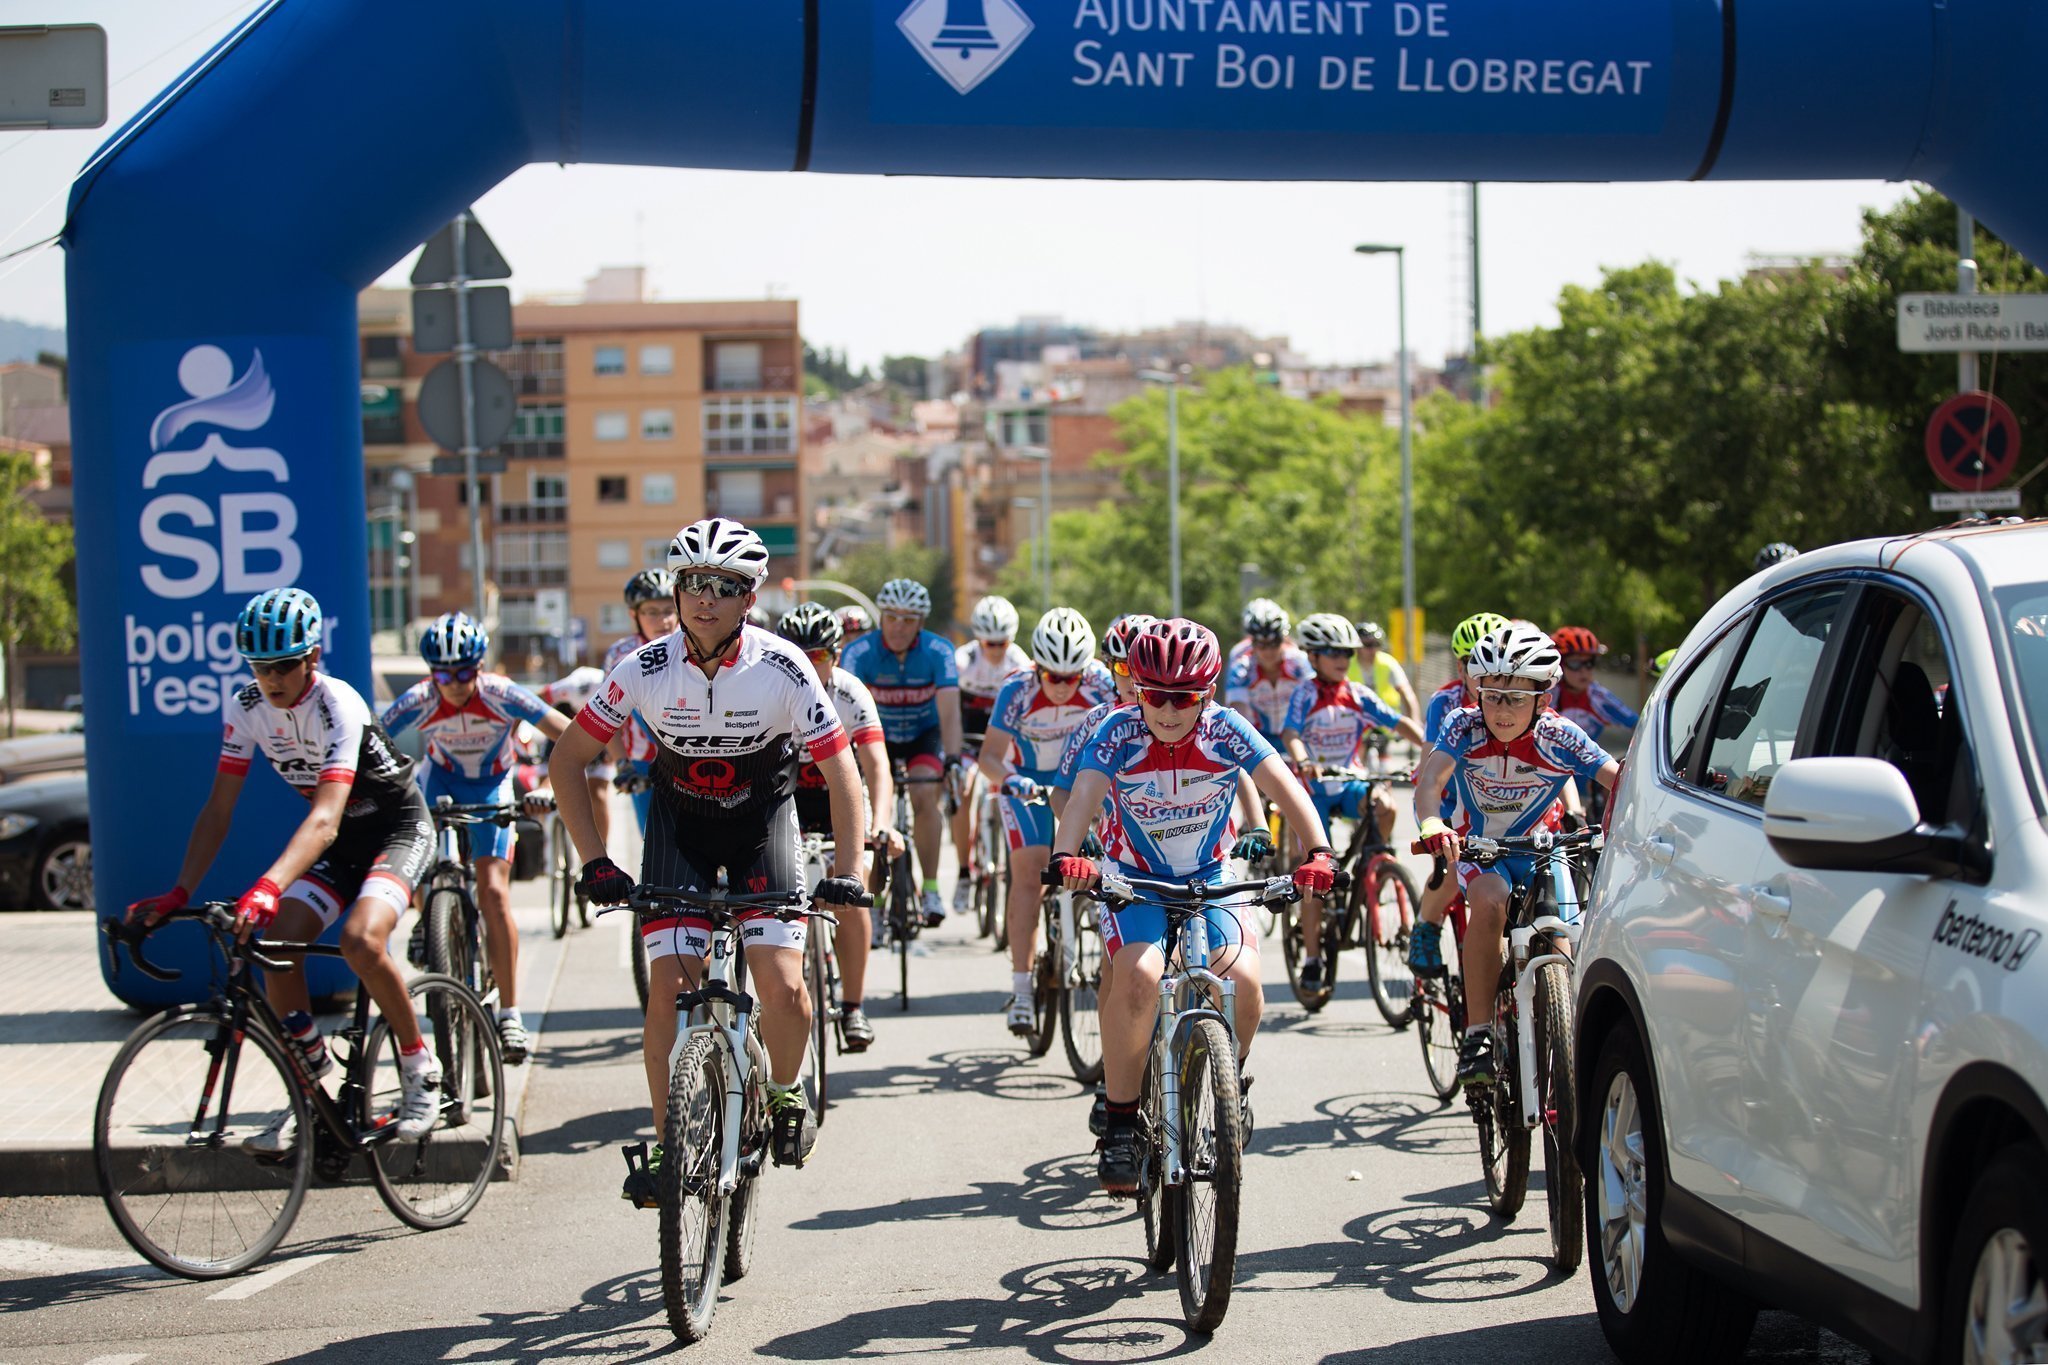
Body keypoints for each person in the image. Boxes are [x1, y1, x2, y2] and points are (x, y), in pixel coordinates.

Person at [547, 519, 869, 1204]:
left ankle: (784, 1091)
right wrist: (594, 859)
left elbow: (844, 775)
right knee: (667, 991)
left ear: (748, 598)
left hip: (762, 829)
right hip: (680, 831)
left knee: (783, 988)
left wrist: (850, 868)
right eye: (691, 583)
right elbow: (567, 758)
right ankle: (668, 1143)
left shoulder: (784, 668)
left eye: (723, 586)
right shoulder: (644, 668)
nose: (703, 598)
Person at [128, 588, 442, 1147]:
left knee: (361, 941)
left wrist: (269, 885)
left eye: (283, 666)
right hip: (344, 845)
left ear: (311, 659)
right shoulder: (246, 708)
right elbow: (218, 809)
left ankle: (421, 1069)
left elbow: (324, 817)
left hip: (398, 829)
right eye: (259, 666)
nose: (270, 679)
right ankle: (312, 1085)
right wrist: (179, 892)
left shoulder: (338, 704)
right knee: (276, 946)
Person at [1051, 618, 1336, 1194]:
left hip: (1212, 873)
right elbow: (1082, 795)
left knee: (1246, 985)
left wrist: (1321, 852)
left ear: (1207, 694)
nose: (1167, 710)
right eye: (1154, 694)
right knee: (1138, 978)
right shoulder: (1116, 731)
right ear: (1138, 689)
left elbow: (1285, 786)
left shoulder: (1227, 730)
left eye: (1184, 698)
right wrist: (1067, 856)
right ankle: (1123, 1125)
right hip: (1136, 877)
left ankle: (1229, 1083)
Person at [1410, 622, 1618, 1085]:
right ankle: (1479, 1032)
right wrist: (1431, 823)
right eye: (1492, 694)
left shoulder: (1560, 735)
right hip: (1480, 847)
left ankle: (1564, 1045)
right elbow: (1430, 783)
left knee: (1561, 941)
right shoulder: (1462, 725)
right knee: (1488, 903)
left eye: (1517, 697)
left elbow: (1617, 779)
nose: (1502, 709)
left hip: (1541, 846)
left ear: (1543, 699)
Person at [380, 612, 566, 1063]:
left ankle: (510, 1013)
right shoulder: (419, 699)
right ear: (431, 673)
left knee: (494, 893)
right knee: (422, 862)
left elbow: (571, 734)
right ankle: (432, 919)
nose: (456, 682)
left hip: (492, 782)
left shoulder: (502, 694)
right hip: (438, 780)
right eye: (445, 674)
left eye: (466, 671)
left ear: (480, 667)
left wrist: (544, 787)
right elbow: (373, 743)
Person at [977, 607, 1113, 1036]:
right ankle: (1021, 989)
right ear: (1037, 666)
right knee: (1030, 873)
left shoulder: (1102, 684)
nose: (1061, 686)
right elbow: (989, 758)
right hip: (1029, 786)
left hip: (1081, 782)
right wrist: (1011, 780)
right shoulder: (1016, 688)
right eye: (1052, 676)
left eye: (1071, 677)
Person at [1279, 614, 1429, 993]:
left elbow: (1397, 722)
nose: (1342, 658)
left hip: (1348, 783)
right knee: (1315, 875)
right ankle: (1312, 959)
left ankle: (1371, 869)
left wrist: (1431, 750)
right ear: (1313, 657)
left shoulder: (1358, 694)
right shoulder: (1305, 693)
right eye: (1332, 652)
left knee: (1386, 806)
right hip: (1313, 790)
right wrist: (1303, 760)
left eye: (1346, 652)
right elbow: (1291, 732)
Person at [779, 601, 897, 1051]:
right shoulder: (769, 688)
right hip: (786, 795)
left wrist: (882, 825)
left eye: (819, 656)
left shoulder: (850, 693)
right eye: (797, 654)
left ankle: (853, 1006)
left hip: (840, 796)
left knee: (853, 887)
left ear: (837, 656)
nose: (809, 665)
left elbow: (877, 767)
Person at [840, 578, 962, 927]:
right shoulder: (859, 652)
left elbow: (950, 711)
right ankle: (874, 902)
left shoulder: (938, 651)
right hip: (876, 737)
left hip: (924, 735)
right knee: (876, 808)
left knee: (926, 793)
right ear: (881, 618)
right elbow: (844, 711)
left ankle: (932, 887)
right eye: (892, 617)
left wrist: (952, 759)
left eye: (909, 620)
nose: (899, 627)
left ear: (921, 623)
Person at [951, 595, 1031, 915]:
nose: (996, 650)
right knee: (964, 789)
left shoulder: (1020, 663)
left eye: (1002, 643)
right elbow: (948, 710)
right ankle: (963, 872)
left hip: (1003, 739)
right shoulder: (962, 661)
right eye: (989, 643)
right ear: (978, 639)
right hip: (970, 736)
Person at [603, 569, 681, 833]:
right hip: (644, 763)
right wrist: (622, 764)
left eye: (669, 609)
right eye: (651, 612)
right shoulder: (621, 655)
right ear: (634, 615)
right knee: (655, 850)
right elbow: (609, 717)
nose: (663, 620)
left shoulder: (696, 644)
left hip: (694, 757)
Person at [1223, 599, 1313, 744]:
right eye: (1261, 645)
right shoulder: (1241, 668)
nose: (1269, 651)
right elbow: (1238, 717)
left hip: (1295, 735)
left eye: (1274, 643)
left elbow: (1314, 702)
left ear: (1284, 639)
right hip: (1257, 738)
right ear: (1252, 642)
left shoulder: (1298, 662)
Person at [1549, 626, 1640, 749]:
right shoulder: (1546, 694)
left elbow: (1639, 725)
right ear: (1559, 664)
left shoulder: (1598, 697)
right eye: (1575, 663)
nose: (1584, 671)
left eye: (1590, 663)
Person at [1352, 620, 1420, 773]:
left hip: (1384, 722)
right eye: (1368, 645)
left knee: (1385, 771)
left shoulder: (1387, 662)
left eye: (1377, 644)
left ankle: (1386, 792)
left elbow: (1406, 693)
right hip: (1357, 723)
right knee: (1358, 769)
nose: (1373, 650)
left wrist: (1413, 721)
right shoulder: (1347, 663)